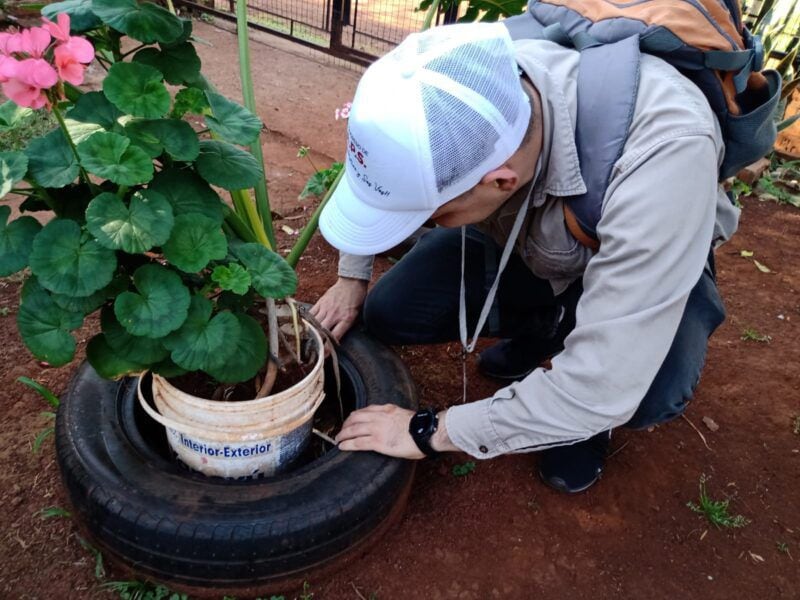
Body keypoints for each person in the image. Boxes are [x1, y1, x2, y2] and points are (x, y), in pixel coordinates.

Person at [310, 22, 736, 493]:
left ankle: (583, 411)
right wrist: (352, 276)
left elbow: (604, 385)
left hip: (644, 257)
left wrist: (427, 431)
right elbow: (379, 175)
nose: (421, 225)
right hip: (536, 240)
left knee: (649, 388)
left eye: (432, 215)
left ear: (500, 181)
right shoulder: (456, 73)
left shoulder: (665, 154)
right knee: (391, 311)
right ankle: (546, 327)